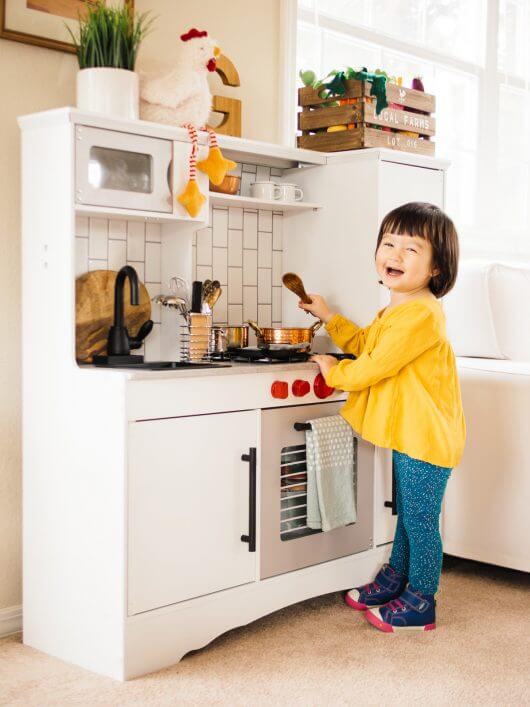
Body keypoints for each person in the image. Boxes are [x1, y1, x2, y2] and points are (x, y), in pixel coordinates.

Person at [300, 201, 466, 633]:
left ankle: (422, 599)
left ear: (436, 268)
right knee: (409, 516)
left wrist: (337, 373)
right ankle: (398, 578)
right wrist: (328, 317)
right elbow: (365, 343)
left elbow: (374, 365)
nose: (394, 254)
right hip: (413, 435)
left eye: (411, 249)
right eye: (389, 243)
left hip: (428, 438)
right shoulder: (399, 310)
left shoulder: (420, 315)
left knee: (421, 520)